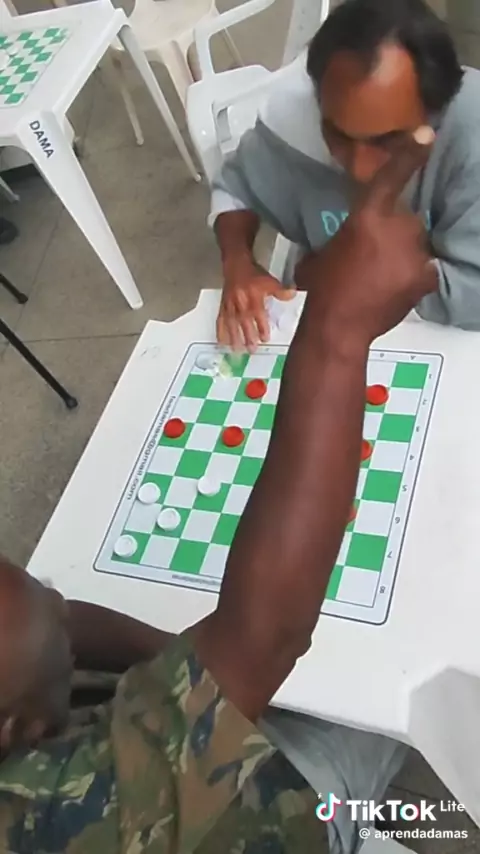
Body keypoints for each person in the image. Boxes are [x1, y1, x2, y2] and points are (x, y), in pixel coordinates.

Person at [0, 130, 437, 853]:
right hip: (279, 812)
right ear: (20, 730)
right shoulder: (54, 820)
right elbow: (270, 635)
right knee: (383, 697)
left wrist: (203, 680)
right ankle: (382, 823)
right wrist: (337, 326)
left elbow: (63, 621)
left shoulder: (27, 699)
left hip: (156, 722)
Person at [213, 0, 480, 350]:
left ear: (436, 111)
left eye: (387, 141)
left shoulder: (473, 130)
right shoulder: (293, 120)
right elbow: (234, 189)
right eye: (338, 135)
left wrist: (340, 278)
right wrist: (239, 263)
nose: (359, 169)